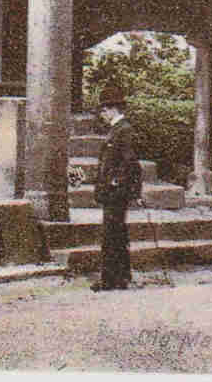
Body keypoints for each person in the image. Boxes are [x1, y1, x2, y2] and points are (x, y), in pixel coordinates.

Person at [93, 85, 137, 291]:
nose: (102, 114)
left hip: (116, 193)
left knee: (111, 235)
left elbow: (129, 162)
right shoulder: (116, 130)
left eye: (103, 110)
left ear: (112, 109)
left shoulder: (124, 130)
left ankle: (110, 280)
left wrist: (115, 183)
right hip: (112, 192)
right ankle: (121, 277)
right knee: (116, 234)